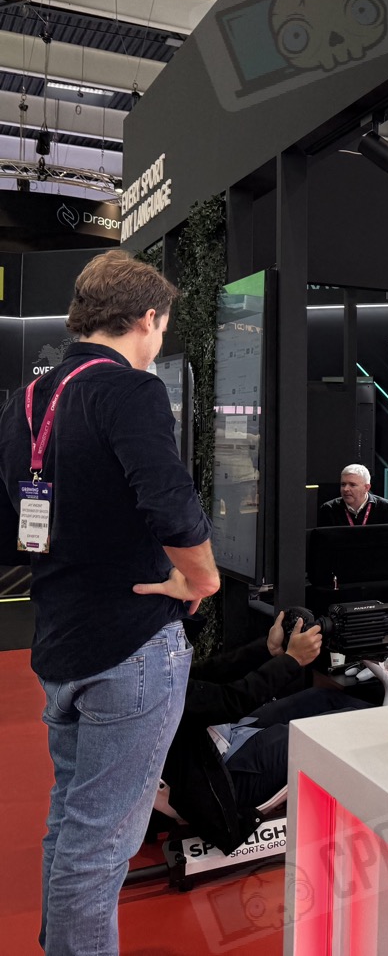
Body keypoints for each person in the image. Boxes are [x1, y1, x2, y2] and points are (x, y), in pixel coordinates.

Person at [0, 249, 220, 954]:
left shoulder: (27, 400)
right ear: (147, 318)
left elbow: (12, 524)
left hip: (60, 640)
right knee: (101, 846)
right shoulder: (130, 390)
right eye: (163, 327)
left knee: (72, 825)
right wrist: (202, 579)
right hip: (130, 647)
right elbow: (172, 503)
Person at [161, 611, 369, 854]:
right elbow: (231, 701)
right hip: (220, 778)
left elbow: (206, 675)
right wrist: (292, 660)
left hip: (221, 738)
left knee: (325, 698)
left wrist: (267, 649)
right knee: (347, 726)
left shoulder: (148, 661)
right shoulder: (146, 684)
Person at [316, 463, 388, 526]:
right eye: (343, 484)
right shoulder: (329, 509)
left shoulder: (386, 508)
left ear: (366, 488)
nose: (345, 489)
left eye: (352, 485)